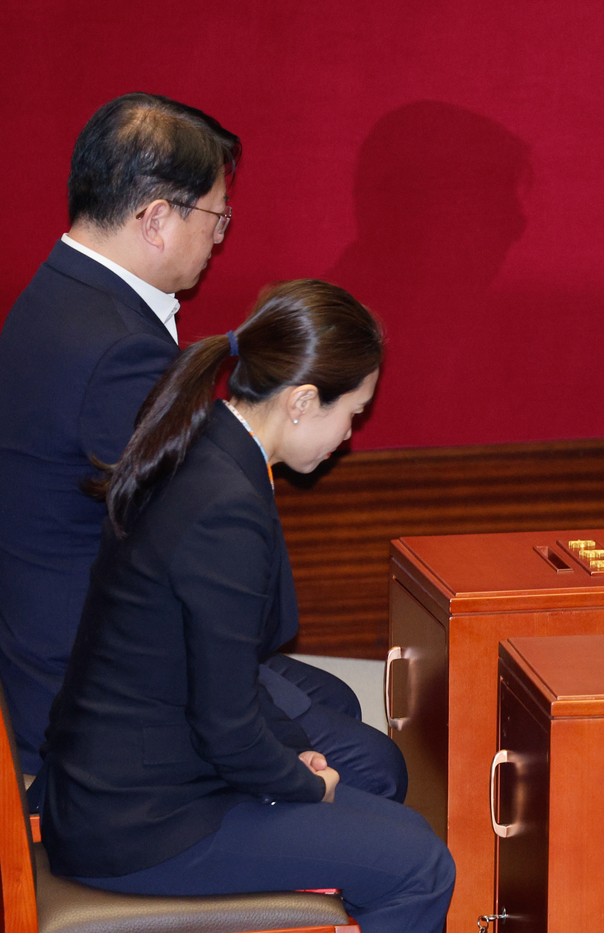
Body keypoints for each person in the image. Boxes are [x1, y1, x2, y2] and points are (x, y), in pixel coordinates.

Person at [0, 92, 405, 795]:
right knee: (372, 766)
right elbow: (216, 576)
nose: (220, 236)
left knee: (336, 704)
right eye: (216, 216)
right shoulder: (118, 352)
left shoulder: (59, 296)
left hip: (44, 643)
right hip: (87, 697)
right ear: (155, 219)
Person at [40, 280, 454, 932]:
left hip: (137, 784)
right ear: (302, 401)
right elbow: (225, 721)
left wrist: (296, 757)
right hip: (139, 819)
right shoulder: (223, 503)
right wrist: (301, 780)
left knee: (397, 819)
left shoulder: (207, 444)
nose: (349, 436)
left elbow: (224, 672)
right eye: (354, 413)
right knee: (421, 864)